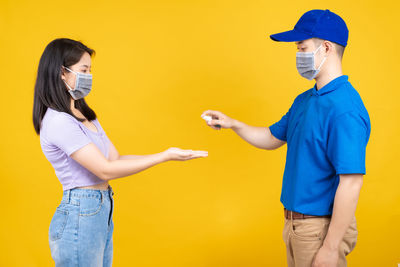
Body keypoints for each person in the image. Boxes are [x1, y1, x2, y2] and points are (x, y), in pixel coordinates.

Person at [202, 9, 370, 267]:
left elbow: (351, 183)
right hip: (295, 226)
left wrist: (330, 247)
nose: (298, 56)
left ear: (326, 48)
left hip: (319, 229)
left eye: (302, 48)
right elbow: (271, 137)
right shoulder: (305, 101)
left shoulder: (345, 108)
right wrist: (233, 124)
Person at [32, 38, 208, 267]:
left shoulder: (86, 116)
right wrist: (163, 156)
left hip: (100, 208)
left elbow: (115, 159)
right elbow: (104, 169)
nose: (89, 76)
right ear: (61, 73)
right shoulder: (58, 121)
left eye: (90, 70)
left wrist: (167, 155)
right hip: (80, 212)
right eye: (83, 70)